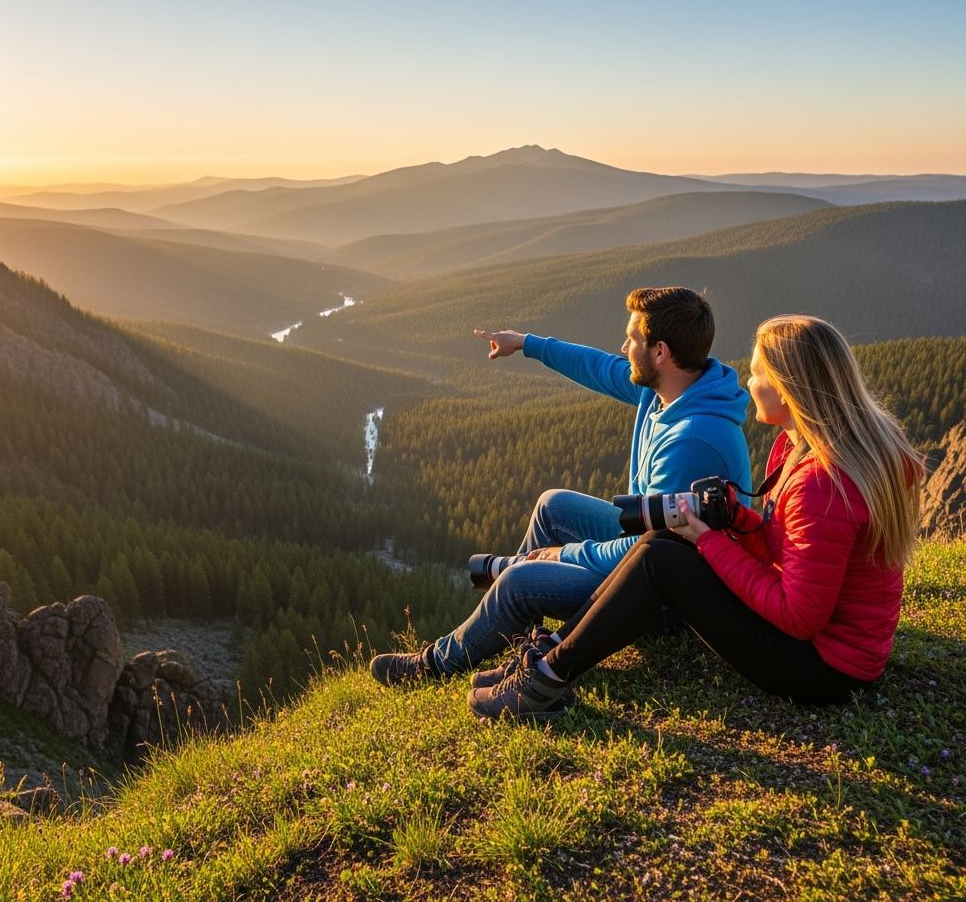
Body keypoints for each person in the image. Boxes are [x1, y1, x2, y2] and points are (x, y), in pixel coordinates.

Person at [467, 315, 926, 720]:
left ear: (788, 390)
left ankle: (544, 679)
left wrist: (709, 541)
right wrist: (740, 520)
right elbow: (791, 549)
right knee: (662, 545)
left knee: (657, 557)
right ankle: (545, 661)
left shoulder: (821, 483)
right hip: (832, 646)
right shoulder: (806, 447)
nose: (748, 381)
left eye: (759, 372)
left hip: (825, 667)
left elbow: (798, 616)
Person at [371, 286, 751, 685]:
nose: (623, 347)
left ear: (660, 352)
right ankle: (523, 642)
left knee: (519, 580)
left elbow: (649, 554)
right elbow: (598, 367)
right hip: (649, 549)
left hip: (666, 593)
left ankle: (433, 666)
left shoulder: (691, 441)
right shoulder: (671, 390)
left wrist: (558, 555)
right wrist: (526, 343)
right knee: (552, 506)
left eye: (633, 339)